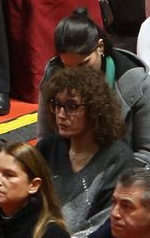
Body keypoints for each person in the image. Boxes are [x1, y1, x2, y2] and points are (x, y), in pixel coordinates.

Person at [39, 8, 150, 165]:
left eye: (84, 64)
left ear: (100, 47)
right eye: (68, 66)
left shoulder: (137, 83)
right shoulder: (53, 77)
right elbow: (46, 141)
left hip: (122, 176)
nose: (77, 74)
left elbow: (146, 155)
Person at [38, 64, 135, 236]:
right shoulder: (47, 148)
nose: (60, 114)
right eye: (57, 104)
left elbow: (104, 225)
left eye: (71, 107)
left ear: (94, 110)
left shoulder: (118, 160)